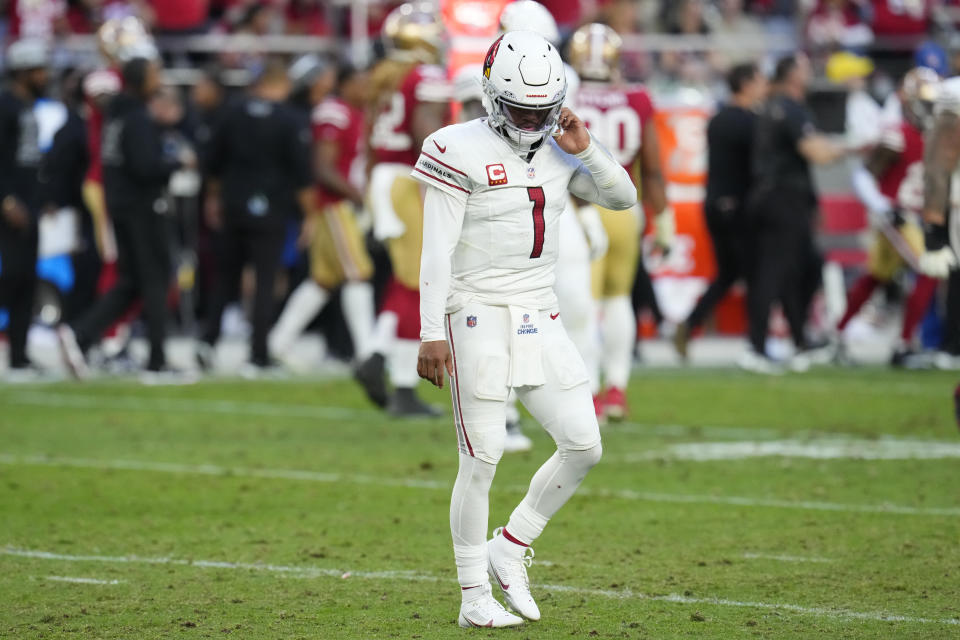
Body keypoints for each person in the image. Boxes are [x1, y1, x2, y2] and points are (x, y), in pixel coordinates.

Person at [416, 31, 636, 627]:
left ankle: (510, 546)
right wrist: (430, 330)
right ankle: (471, 597)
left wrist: (587, 149)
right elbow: (435, 250)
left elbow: (623, 197)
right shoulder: (454, 145)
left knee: (585, 444)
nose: (531, 121)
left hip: (538, 314)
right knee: (481, 456)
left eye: (542, 110)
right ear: (490, 96)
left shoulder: (563, 148)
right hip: (475, 311)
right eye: (520, 109)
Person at [58, 56, 195, 383]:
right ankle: (157, 362)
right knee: (156, 281)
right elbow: (145, 167)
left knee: (130, 282)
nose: (158, 79)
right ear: (141, 80)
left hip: (120, 204)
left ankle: (80, 336)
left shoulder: (116, 115)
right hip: (143, 208)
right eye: (154, 74)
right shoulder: (136, 117)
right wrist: (177, 164)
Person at [568, 22, 674, 420]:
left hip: (580, 206)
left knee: (583, 305)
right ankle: (617, 389)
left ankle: (591, 392)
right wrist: (663, 218)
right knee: (617, 300)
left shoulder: (568, 92)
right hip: (624, 208)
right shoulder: (637, 97)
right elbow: (652, 166)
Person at [357, 1, 449, 416]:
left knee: (406, 279)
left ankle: (378, 358)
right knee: (417, 281)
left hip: (384, 180)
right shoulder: (423, 75)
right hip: (408, 180)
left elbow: (370, 144)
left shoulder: (384, 75)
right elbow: (426, 138)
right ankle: (402, 385)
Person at [197, 59, 314, 376]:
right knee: (265, 280)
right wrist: (309, 214)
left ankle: (207, 343)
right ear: (280, 85)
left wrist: (212, 199)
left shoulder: (231, 113)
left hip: (233, 203)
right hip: (272, 207)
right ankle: (257, 355)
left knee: (225, 276)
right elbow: (302, 172)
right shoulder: (289, 120)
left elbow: (213, 162)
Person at [268, 60, 378, 374]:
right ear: (344, 84)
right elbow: (323, 166)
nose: (366, 89)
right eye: (361, 82)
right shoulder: (336, 112)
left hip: (338, 204)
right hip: (334, 204)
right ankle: (367, 351)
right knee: (358, 273)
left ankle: (279, 341)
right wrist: (358, 195)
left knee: (322, 280)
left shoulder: (354, 113)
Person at [743, 53, 845, 374]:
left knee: (800, 268)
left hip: (777, 198)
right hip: (782, 199)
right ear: (792, 76)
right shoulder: (788, 108)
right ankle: (757, 346)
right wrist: (851, 147)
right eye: (803, 68)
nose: (810, 72)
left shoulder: (772, 108)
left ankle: (800, 338)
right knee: (773, 273)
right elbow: (816, 152)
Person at [833, 68, 940, 367]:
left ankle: (838, 335)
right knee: (929, 268)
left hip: (913, 216)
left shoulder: (934, 137)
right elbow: (863, 175)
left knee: (876, 277)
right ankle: (904, 345)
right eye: (926, 101)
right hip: (896, 215)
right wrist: (883, 206)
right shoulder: (896, 135)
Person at [673, 62, 767, 359]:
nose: (763, 85)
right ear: (747, 84)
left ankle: (689, 325)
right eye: (759, 79)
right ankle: (757, 341)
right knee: (753, 273)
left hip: (714, 204)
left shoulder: (718, 118)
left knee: (729, 273)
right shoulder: (745, 122)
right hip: (734, 207)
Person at [0, 39, 49, 381]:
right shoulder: (5, 106)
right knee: (13, 276)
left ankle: (19, 356)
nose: (44, 76)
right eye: (38, 70)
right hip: (10, 204)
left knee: (26, 280)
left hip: (28, 204)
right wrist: (6, 198)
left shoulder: (29, 106)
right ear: (23, 72)